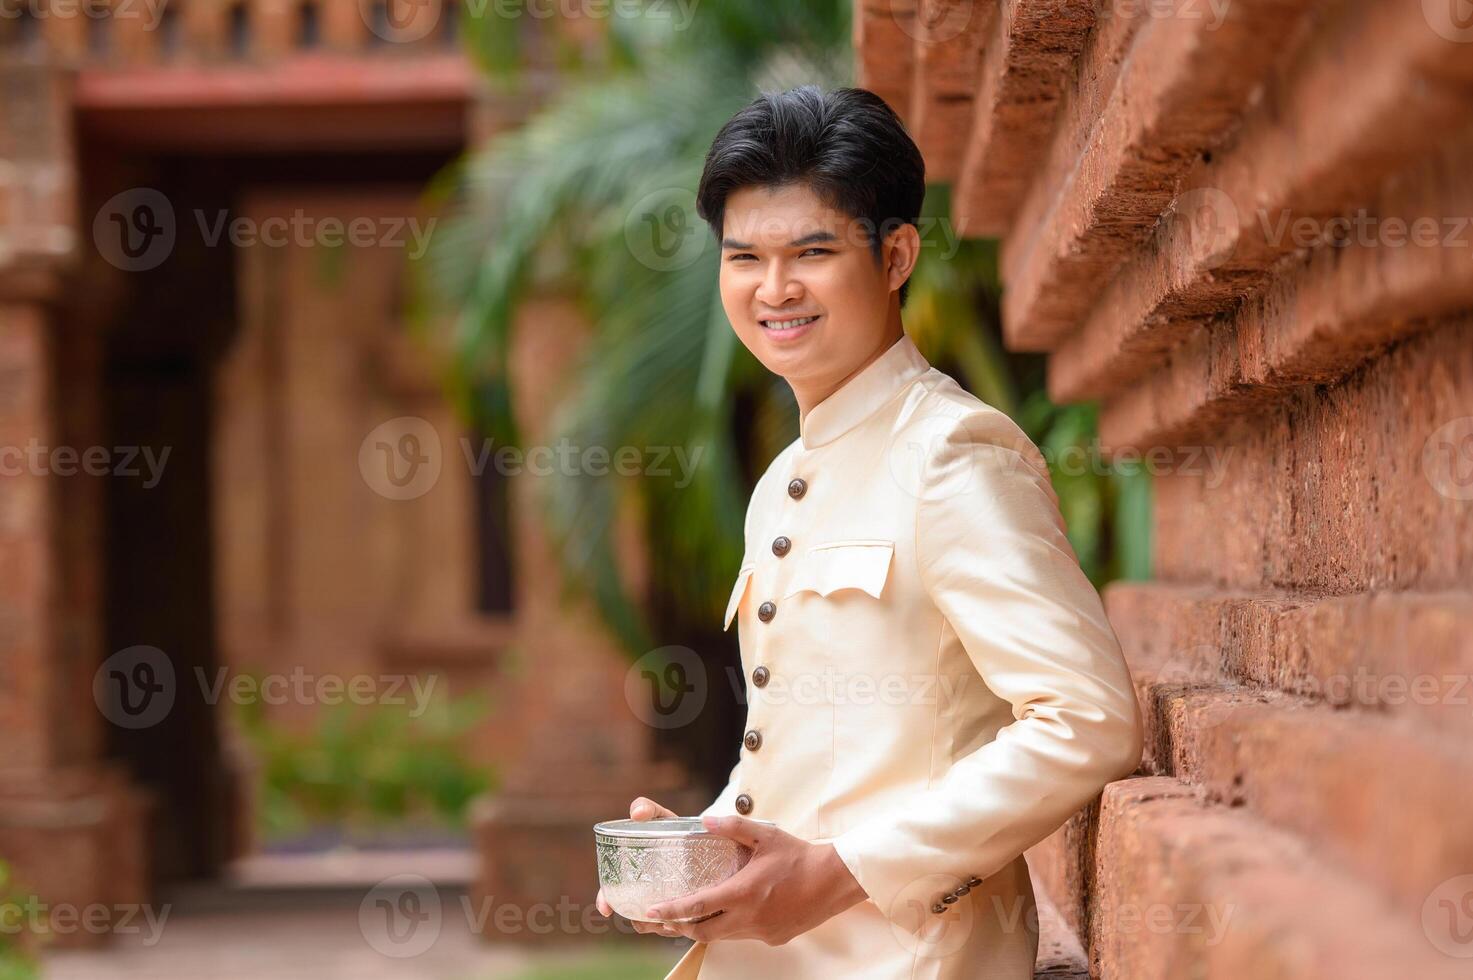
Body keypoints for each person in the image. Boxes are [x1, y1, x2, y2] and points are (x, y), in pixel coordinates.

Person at [594, 84, 1144, 980]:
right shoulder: (780, 484)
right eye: (744, 258)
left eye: (812, 250)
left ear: (894, 256)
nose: (774, 289)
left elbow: (1085, 719)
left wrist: (840, 872)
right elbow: (820, 754)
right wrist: (702, 852)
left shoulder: (952, 455)